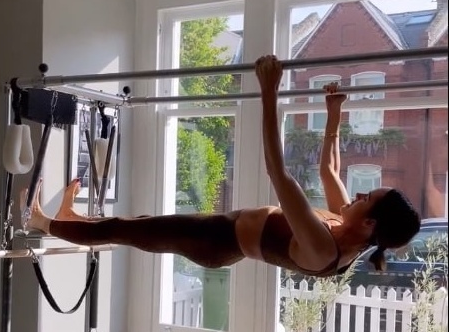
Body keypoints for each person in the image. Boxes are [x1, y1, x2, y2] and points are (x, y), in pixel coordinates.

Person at [22, 56, 421, 276]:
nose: (358, 195)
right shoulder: (346, 226)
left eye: (367, 197)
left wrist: (269, 93)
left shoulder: (324, 247)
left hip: (214, 241)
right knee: (133, 224)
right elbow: (329, 171)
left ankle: (42, 222)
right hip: (220, 232)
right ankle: (67, 218)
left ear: (370, 223)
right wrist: (333, 113)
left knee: (125, 229)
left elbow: (278, 172)